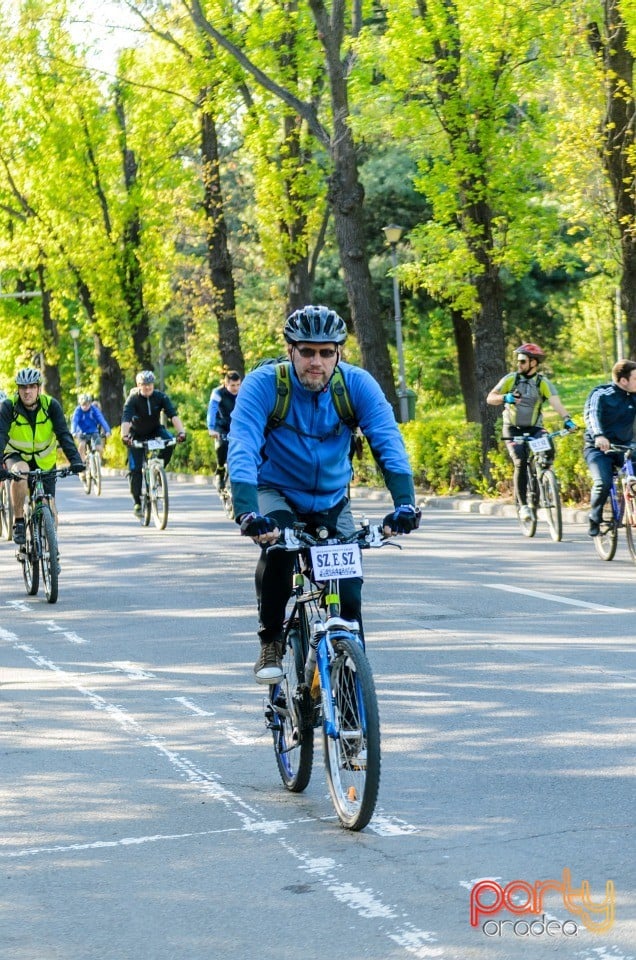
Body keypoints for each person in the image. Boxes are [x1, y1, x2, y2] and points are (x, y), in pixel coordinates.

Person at [228, 304, 421, 684]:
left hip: (333, 501)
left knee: (348, 594)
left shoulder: (356, 385)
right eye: (307, 351)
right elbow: (243, 446)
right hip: (277, 492)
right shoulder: (265, 385)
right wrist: (248, 513)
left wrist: (405, 504)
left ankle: (352, 687)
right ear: (290, 351)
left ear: (338, 353)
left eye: (326, 352)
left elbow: (387, 441)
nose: (316, 361)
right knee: (279, 551)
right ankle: (271, 641)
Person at [487, 343, 576, 522]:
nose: (518, 364)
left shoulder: (542, 383)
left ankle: (545, 478)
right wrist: (505, 397)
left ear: (533, 363)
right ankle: (523, 506)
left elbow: (555, 402)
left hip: (534, 428)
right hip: (512, 429)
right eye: (518, 361)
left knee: (548, 449)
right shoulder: (511, 379)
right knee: (520, 461)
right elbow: (490, 398)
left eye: (522, 361)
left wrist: (567, 419)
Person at [0, 367, 85, 543]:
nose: (27, 391)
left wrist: (76, 460)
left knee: (49, 507)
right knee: (20, 472)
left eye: (31, 386)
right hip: (17, 456)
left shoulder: (51, 405)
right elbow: (1, 436)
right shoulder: (9, 407)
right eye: (23, 387)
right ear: (18, 389)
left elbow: (63, 434)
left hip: (45, 460)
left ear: (39, 388)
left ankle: (51, 552)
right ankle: (19, 522)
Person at [121, 370, 186, 516]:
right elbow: (125, 419)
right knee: (135, 469)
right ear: (138, 385)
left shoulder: (160, 397)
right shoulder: (133, 399)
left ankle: (158, 468)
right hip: (136, 434)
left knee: (170, 441)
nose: (148, 388)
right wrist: (124, 436)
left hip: (154, 430)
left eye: (150, 385)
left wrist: (181, 432)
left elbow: (173, 415)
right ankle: (137, 502)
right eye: (144, 385)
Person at [583, 359, 636, 537]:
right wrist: (599, 435)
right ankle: (595, 516)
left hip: (625, 447)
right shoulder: (601, 393)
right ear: (623, 381)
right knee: (603, 482)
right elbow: (592, 415)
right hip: (599, 449)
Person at [207, 370, 241, 490]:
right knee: (221, 445)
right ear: (226, 384)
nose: (235, 388)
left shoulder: (244, 392)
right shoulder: (218, 393)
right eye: (232, 385)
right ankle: (220, 470)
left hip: (237, 425)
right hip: (221, 425)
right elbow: (212, 409)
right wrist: (211, 428)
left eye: (238, 385)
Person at [71, 393, 112, 462]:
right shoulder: (78, 411)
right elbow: (74, 421)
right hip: (81, 432)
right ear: (80, 404)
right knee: (82, 445)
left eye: (87, 404)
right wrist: (73, 432)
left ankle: (98, 462)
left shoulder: (94, 410)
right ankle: (82, 464)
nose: (85, 407)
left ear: (90, 403)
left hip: (93, 431)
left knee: (99, 447)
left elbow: (101, 420)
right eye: (83, 405)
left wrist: (108, 431)